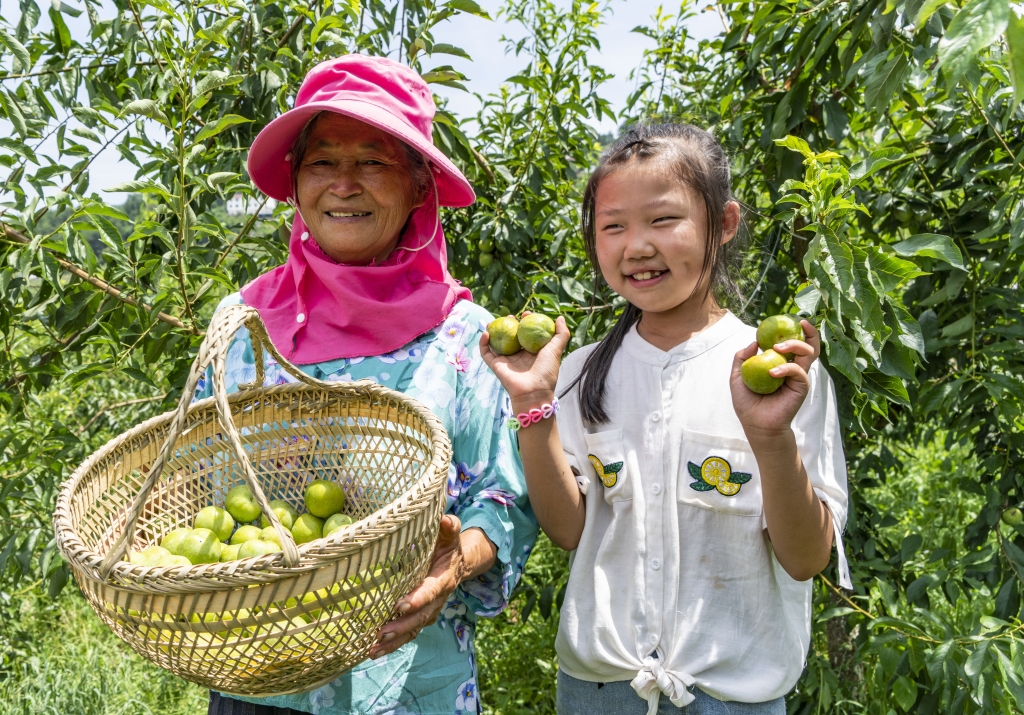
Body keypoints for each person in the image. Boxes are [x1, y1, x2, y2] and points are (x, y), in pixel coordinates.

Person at [197, 54, 538, 715]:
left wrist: (455, 565)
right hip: (260, 680)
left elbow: (504, 501)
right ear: (295, 182)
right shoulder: (240, 325)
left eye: (373, 161)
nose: (344, 184)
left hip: (410, 680)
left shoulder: (466, 337)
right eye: (323, 161)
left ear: (418, 186)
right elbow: (199, 491)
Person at [481, 123, 850, 714]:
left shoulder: (776, 371)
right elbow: (568, 531)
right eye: (613, 226)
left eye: (662, 220)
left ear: (723, 225)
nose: (637, 247)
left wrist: (771, 438)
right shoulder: (575, 372)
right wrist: (533, 406)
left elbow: (806, 559)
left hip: (732, 699)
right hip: (598, 691)